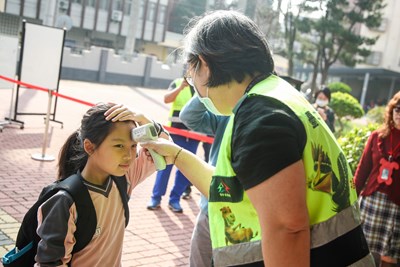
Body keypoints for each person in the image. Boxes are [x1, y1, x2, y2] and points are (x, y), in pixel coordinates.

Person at [140, 10, 375, 266]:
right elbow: (233, 190)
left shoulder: (260, 117)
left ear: (204, 64)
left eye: (190, 74)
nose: (193, 84)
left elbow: (288, 229)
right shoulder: (276, 97)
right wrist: (176, 154)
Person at [35, 103, 169, 266]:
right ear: (90, 147)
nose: (129, 155)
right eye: (119, 146)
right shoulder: (65, 201)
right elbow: (50, 262)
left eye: (133, 146)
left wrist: (142, 118)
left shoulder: (124, 179)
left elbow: (167, 150)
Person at [180, 95, 229, 267]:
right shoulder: (227, 113)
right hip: (210, 207)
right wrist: (205, 90)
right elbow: (189, 117)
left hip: (241, 213)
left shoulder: (262, 114)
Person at [354, 91, 400, 267]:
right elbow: (362, 170)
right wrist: (351, 197)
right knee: (364, 250)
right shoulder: (376, 137)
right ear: (391, 110)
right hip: (371, 202)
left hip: (396, 206)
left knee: (389, 256)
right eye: (397, 109)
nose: (399, 114)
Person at [147, 78, 199, 213]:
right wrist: (180, 87)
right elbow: (166, 99)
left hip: (194, 136)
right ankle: (156, 197)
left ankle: (174, 199)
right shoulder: (177, 82)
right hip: (175, 134)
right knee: (165, 166)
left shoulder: (205, 85)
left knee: (186, 169)